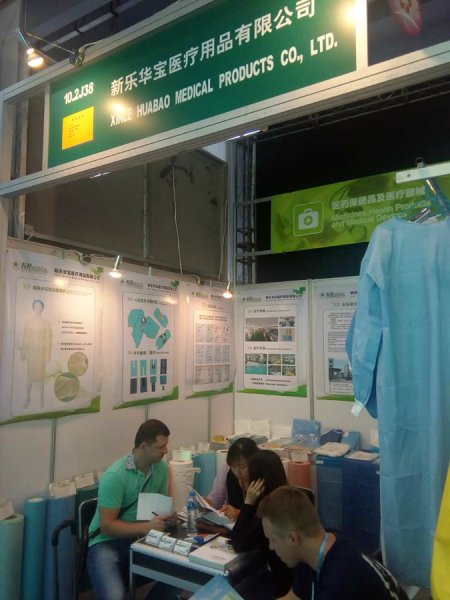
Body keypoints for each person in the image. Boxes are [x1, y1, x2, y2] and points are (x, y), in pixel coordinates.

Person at [258, 486, 409, 600]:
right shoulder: (317, 545)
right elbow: (292, 598)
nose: (271, 547)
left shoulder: (339, 583)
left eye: (272, 539)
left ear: (292, 538)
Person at [87, 419, 179, 600]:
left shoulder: (161, 468)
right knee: (115, 596)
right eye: (161, 447)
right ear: (144, 447)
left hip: (141, 538)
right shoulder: (115, 476)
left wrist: (168, 518)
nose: (166, 451)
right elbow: (107, 527)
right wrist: (147, 527)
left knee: (181, 573)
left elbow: (159, 508)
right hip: (106, 542)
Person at [231, 450, 294, 599]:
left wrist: (248, 503)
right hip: (292, 579)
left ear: (257, 481)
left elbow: (239, 543)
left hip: (280, 586)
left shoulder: (269, 510)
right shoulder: (289, 495)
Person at [204, 437, 258, 521]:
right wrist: (206, 503)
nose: (237, 472)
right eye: (233, 466)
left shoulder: (261, 475)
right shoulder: (226, 470)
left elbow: (267, 513)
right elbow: (217, 498)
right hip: (232, 525)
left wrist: (240, 513)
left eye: (242, 466)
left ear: (253, 463)